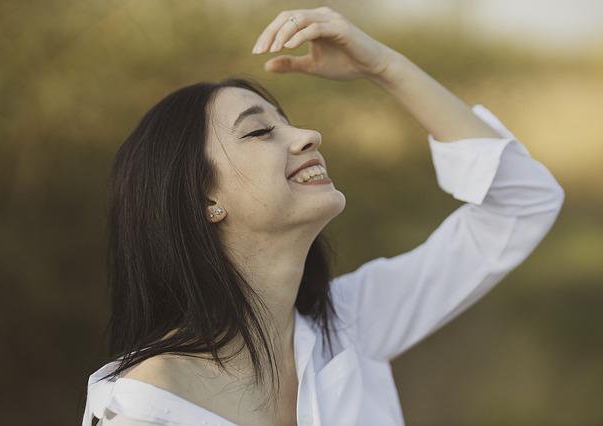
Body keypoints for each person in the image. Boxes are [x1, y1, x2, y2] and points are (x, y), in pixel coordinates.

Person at [82, 6, 565, 426]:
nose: (308, 135)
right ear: (203, 200)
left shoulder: (350, 326)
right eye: (258, 132)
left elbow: (523, 204)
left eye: (286, 121)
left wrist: (385, 67)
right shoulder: (148, 404)